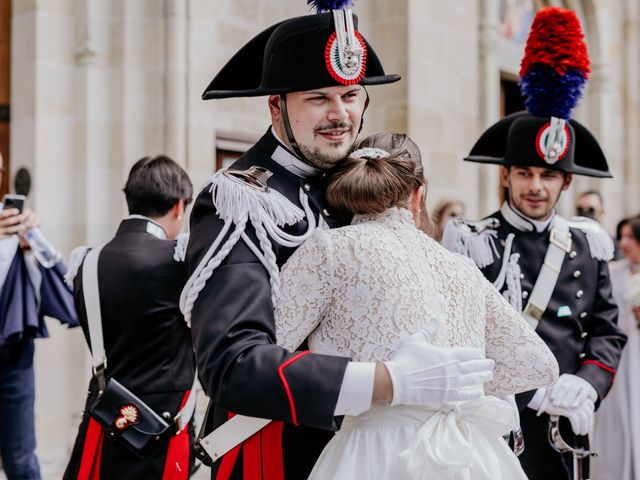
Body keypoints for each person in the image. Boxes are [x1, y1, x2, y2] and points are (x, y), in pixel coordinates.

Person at [181, 3, 494, 478]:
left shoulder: (357, 187)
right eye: (317, 97)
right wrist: (388, 382)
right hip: (282, 453)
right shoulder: (243, 200)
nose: (339, 114)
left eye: (350, 94)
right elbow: (234, 366)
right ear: (276, 105)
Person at [273, 133, 558, 479]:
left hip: (375, 450)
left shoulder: (330, 249)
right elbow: (539, 365)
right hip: (473, 452)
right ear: (419, 194)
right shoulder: (460, 266)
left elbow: (265, 348)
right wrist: (461, 384)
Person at [443, 7, 626, 479]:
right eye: (524, 172)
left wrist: (588, 384)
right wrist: (528, 390)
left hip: (568, 424)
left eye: (548, 175)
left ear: (566, 183)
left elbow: (606, 332)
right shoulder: (471, 242)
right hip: (494, 424)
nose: (536, 187)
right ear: (504, 175)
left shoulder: (587, 244)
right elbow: (459, 340)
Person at [63, 155, 196, 480]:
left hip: (106, 418)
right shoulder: (178, 259)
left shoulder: (86, 262)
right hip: (161, 429)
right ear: (178, 206)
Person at [0, 152, 79, 480]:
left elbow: (55, 283)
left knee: (21, 458)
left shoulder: (12, 222)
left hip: (13, 353)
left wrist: (33, 243)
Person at [592, 215, 640, 480]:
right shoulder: (612, 272)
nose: (624, 243)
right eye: (621, 236)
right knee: (616, 416)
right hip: (619, 354)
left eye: (631, 237)